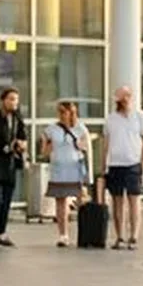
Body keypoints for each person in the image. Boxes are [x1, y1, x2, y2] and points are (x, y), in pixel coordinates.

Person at [102, 86, 143, 250]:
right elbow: (106, 144)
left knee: (134, 200)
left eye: (126, 97)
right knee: (117, 201)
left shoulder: (140, 116)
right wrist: (104, 166)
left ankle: (134, 236)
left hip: (133, 164)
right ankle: (119, 236)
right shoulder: (111, 119)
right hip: (115, 164)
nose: (124, 100)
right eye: (121, 97)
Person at [41, 101, 90, 247]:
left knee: (81, 199)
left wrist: (81, 145)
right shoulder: (51, 129)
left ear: (71, 112)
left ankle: (86, 232)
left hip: (75, 167)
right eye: (59, 112)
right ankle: (63, 235)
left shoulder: (80, 128)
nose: (61, 115)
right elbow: (44, 151)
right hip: (58, 169)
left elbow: (86, 148)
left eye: (64, 112)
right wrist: (47, 146)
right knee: (60, 201)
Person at [0, 87, 26, 248]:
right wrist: (8, 146)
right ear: (3, 100)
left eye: (16, 99)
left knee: (7, 200)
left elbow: (23, 135)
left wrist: (22, 145)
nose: (14, 102)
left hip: (11, 163)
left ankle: (3, 232)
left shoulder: (17, 117)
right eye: (11, 99)